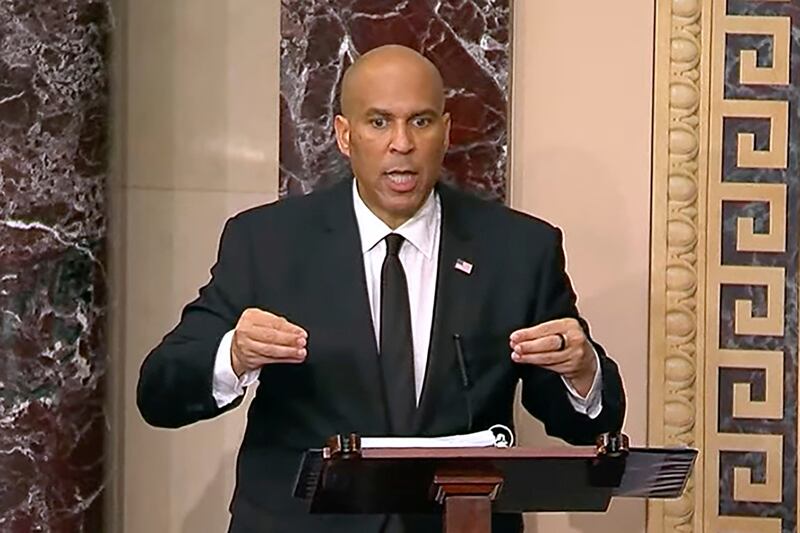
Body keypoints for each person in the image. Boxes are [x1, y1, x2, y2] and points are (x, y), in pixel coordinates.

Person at [137, 44, 626, 533]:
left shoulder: (518, 250)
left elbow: (586, 426)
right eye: (378, 123)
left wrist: (583, 374)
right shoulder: (266, 243)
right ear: (344, 135)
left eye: (420, 121)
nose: (402, 144)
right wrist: (234, 356)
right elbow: (161, 393)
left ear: (446, 131)